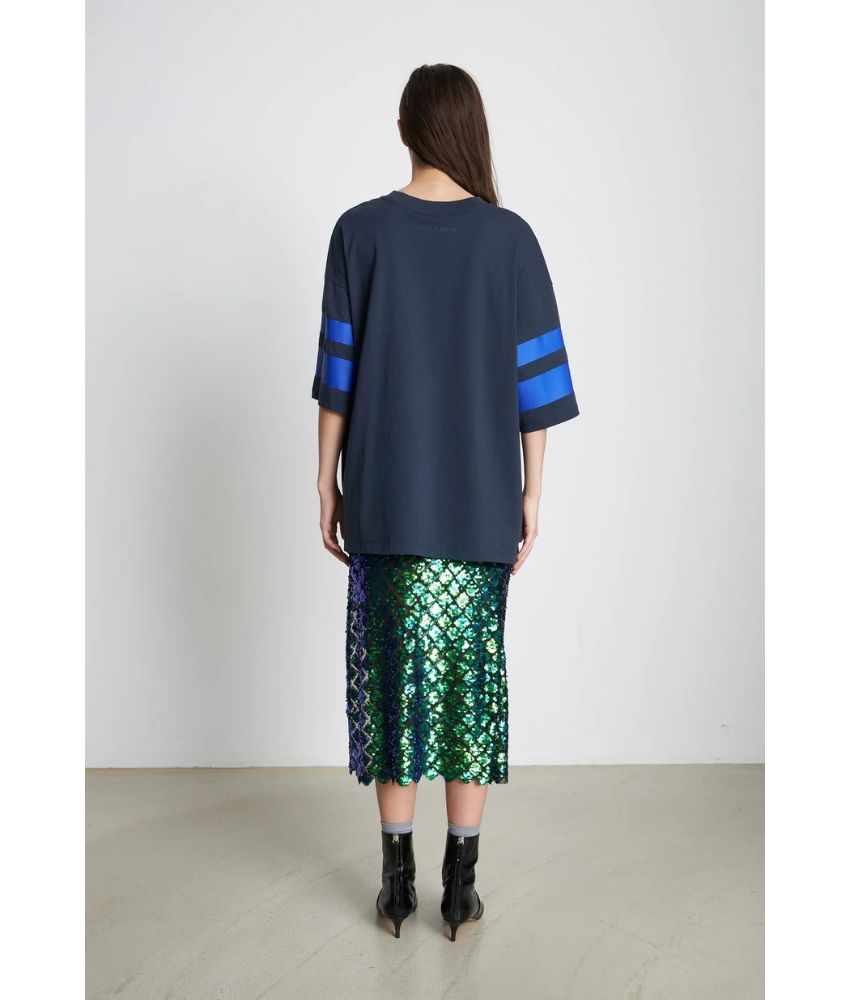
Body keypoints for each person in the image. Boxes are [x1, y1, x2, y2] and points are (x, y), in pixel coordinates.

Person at [312, 64, 579, 941]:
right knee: (470, 692)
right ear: (471, 129)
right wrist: (532, 492)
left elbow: (338, 375)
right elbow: (536, 387)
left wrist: (326, 480)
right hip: (479, 506)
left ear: (404, 128)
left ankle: (397, 888)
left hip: (386, 502)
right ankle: (460, 892)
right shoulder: (511, 239)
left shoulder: (359, 231)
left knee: (394, 690)